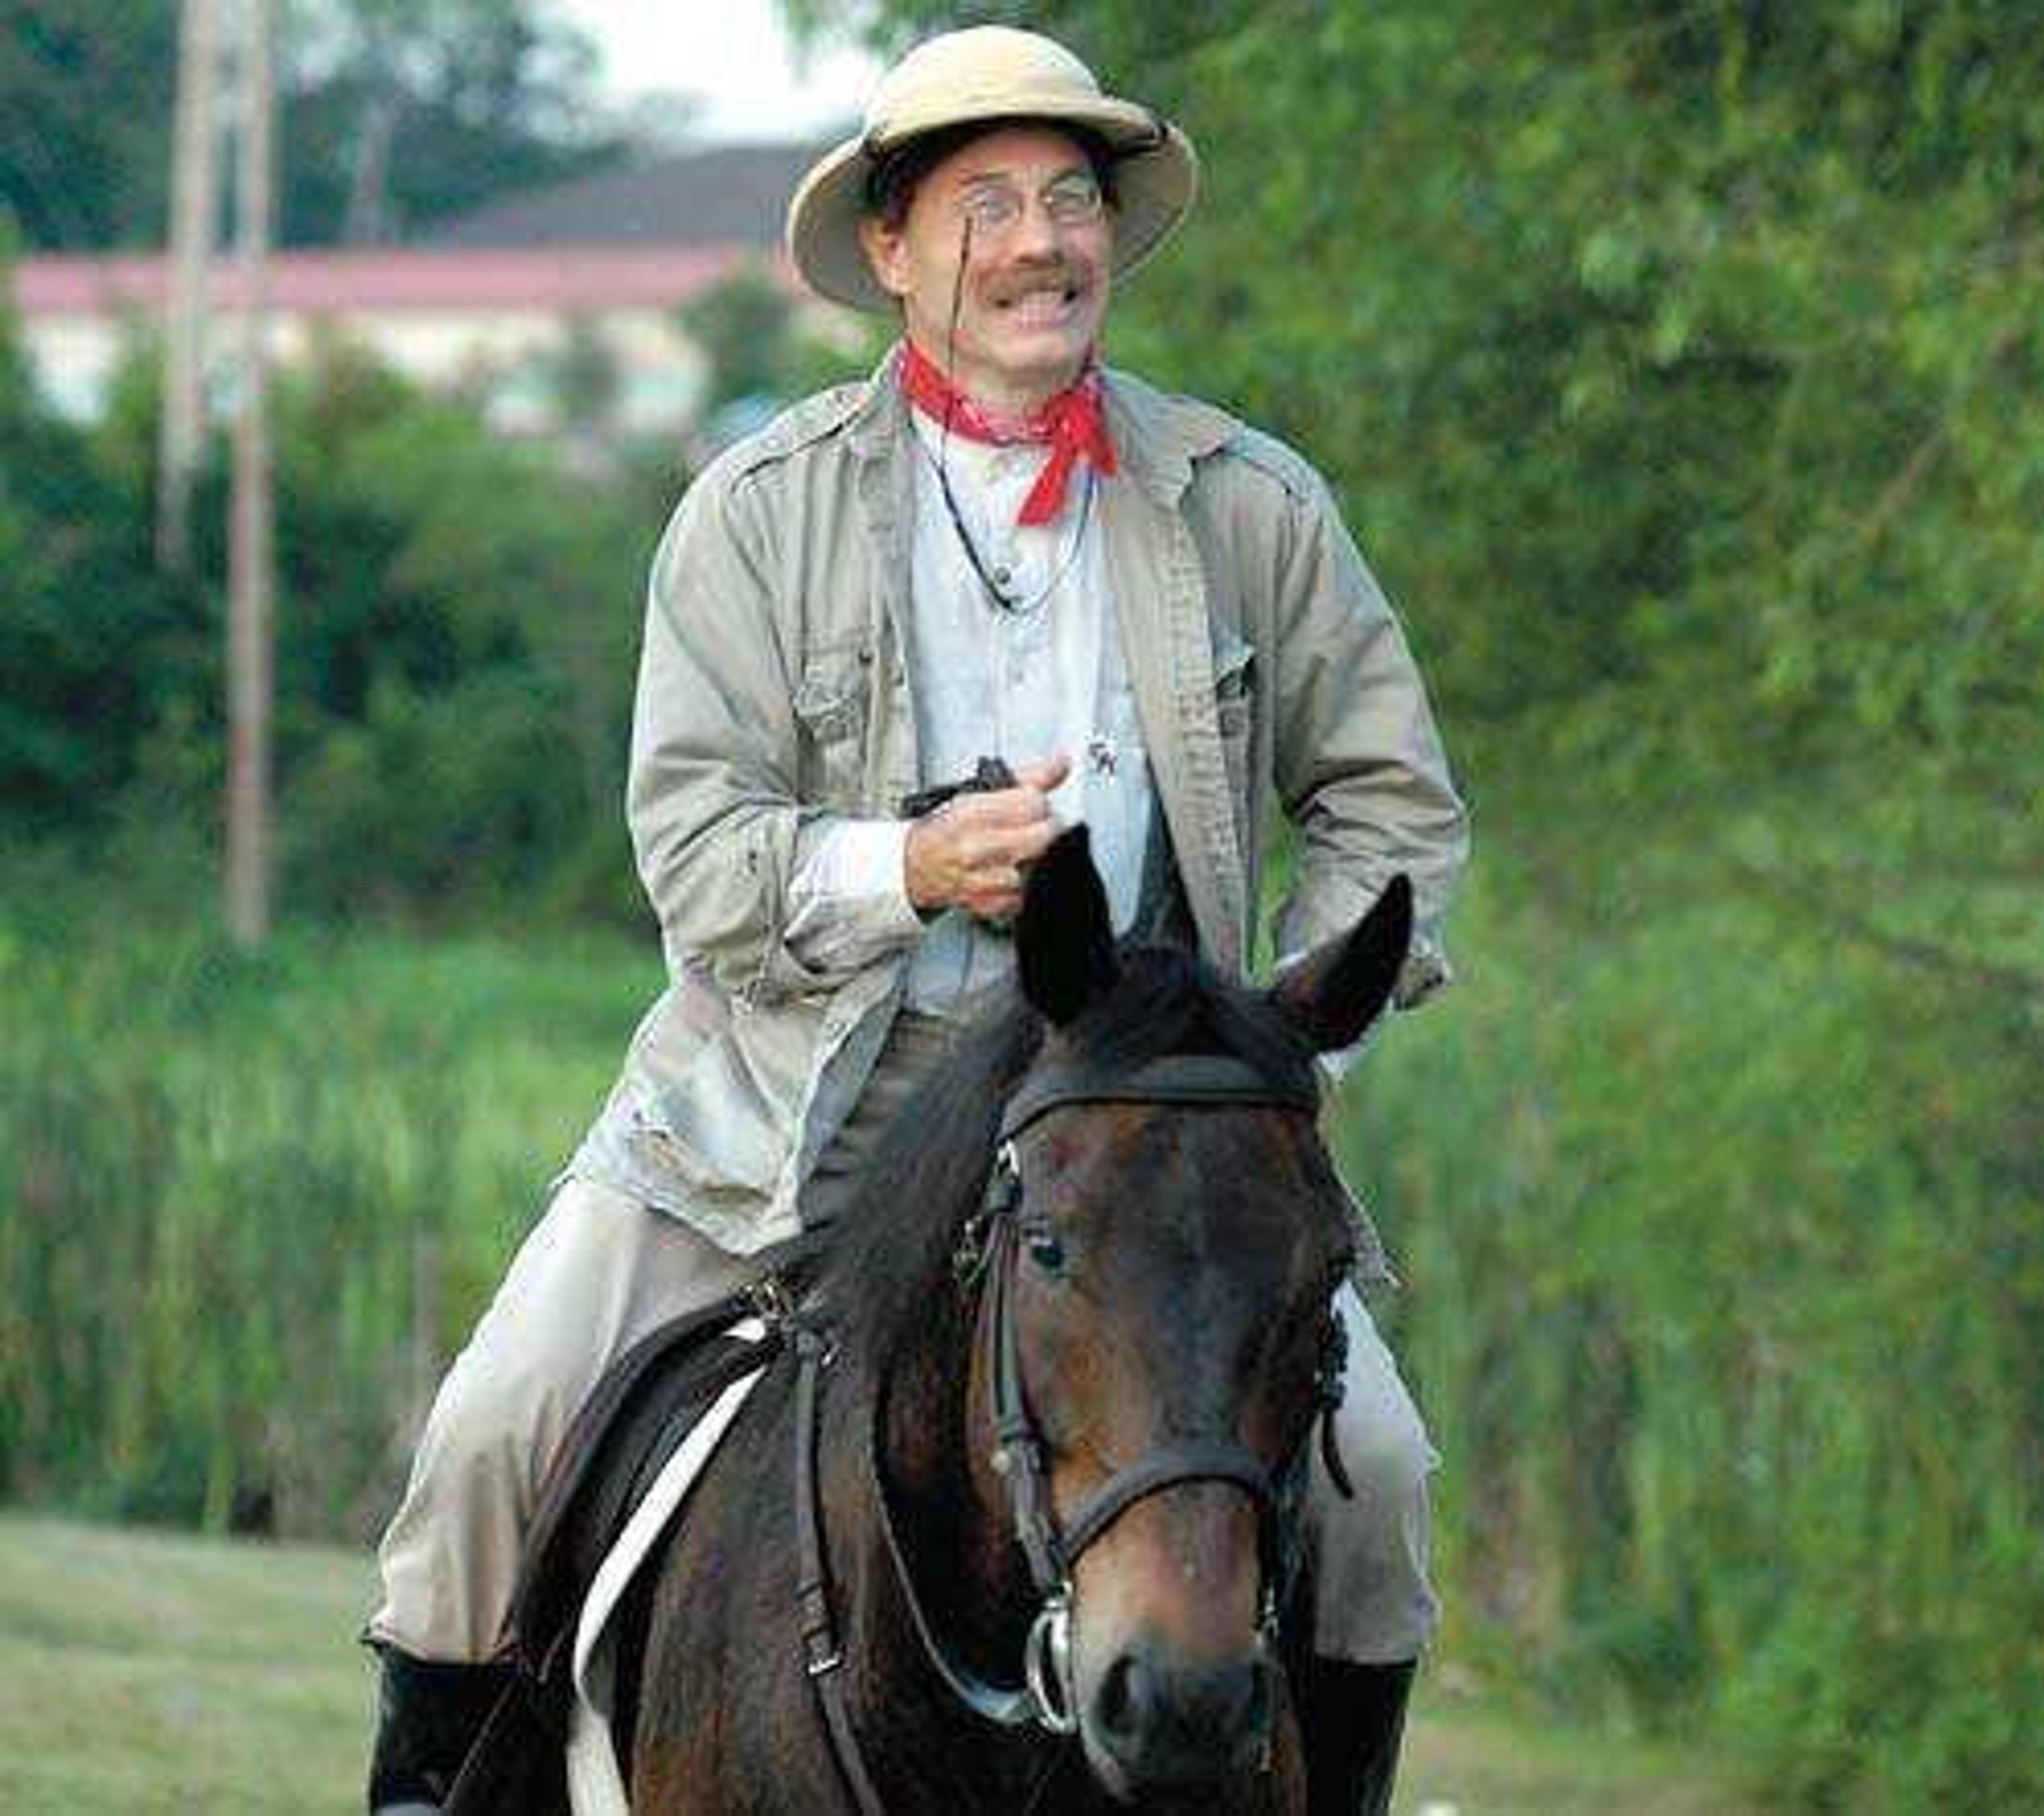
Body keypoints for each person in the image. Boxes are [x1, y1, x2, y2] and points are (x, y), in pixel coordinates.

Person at [363, 25, 1468, 1815]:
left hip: (1127, 1132)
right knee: (490, 1442)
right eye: (986, 206)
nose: (1041, 242)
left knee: (1387, 1489)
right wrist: (912, 870)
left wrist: (1256, 1028)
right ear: (891, 251)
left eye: (1069, 202)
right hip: (778, 1119)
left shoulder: (1253, 504)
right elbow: (701, 861)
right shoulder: (750, 511)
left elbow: (1395, 807)